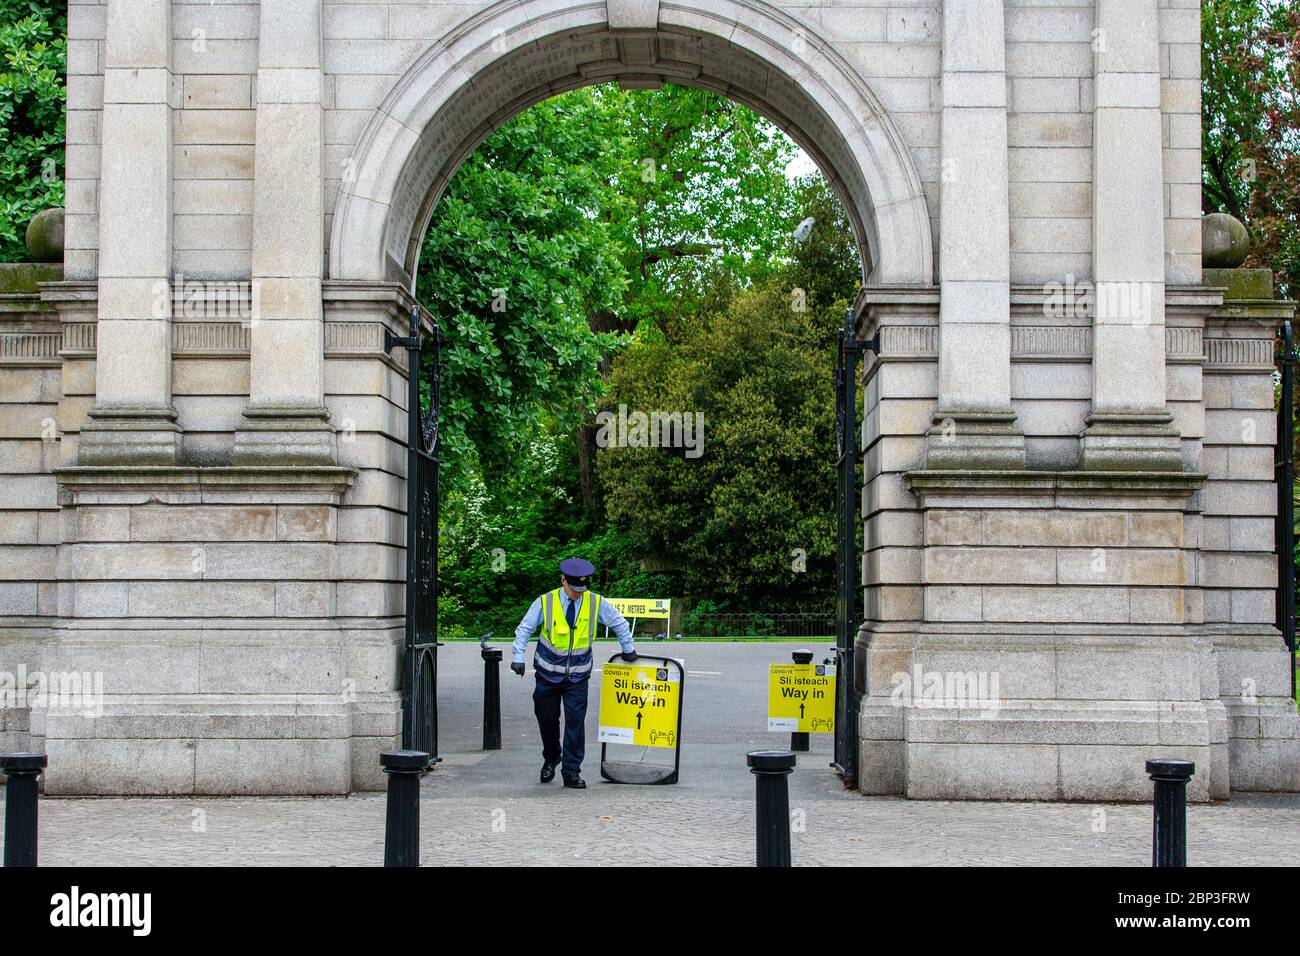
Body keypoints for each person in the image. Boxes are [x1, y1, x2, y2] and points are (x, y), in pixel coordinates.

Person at [511, 557, 636, 788]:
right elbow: (524, 629)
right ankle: (551, 756)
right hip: (547, 675)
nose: (578, 593)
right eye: (574, 589)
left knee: (575, 723)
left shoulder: (595, 602)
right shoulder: (545, 602)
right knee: (547, 719)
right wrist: (517, 658)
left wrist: (628, 648)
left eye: (582, 588)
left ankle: (571, 771)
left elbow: (619, 622)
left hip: (578, 676)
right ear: (563, 581)